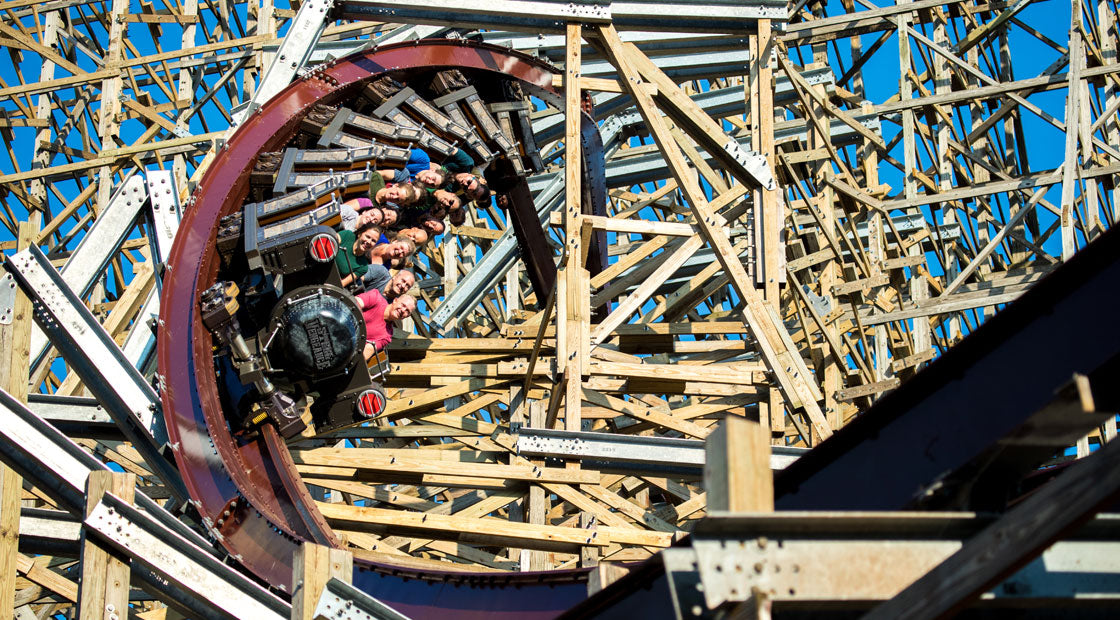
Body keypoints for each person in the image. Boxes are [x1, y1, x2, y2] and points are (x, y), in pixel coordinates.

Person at [354, 291, 416, 360]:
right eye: (403, 305)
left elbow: (365, 353)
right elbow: (352, 305)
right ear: (395, 300)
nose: (403, 310)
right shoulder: (376, 297)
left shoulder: (387, 336)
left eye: (407, 311)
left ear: (407, 316)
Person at [334, 221, 381, 287]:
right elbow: (328, 243)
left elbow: (341, 284)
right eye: (367, 237)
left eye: (373, 241)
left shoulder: (363, 267)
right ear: (360, 234)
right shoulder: (347, 235)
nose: (369, 242)